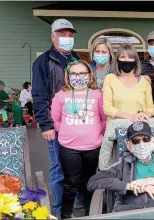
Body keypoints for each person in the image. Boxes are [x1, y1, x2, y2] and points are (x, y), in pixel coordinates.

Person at [32, 18, 82, 214]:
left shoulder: (77, 60)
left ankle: (80, 204)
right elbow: (39, 95)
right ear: (53, 37)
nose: (67, 38)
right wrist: (46, 125)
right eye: (62, 35)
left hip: (78, 125)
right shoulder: (43, 62)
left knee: (78, 167)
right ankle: (60, 209)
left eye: (70, 35)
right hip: (57, 126)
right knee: (59, 169)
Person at [87, 121, 154, 212]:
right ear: (128, 145)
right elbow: (93, 182)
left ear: (153, 140)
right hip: (136, 211)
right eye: (135, 141)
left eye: (146, 139)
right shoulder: (123, 163)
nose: (141, 144)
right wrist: (130, 186)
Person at [51, 60, 106, 219]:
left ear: (89, 76)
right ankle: (66, 215)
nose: (78, 77)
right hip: (69, 147)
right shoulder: (61, 95)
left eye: (82, 73)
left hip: (92, 146)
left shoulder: (97, 95)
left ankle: (90, 213)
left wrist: (95, 133)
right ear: (68, 76)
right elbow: (56, 119)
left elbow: (103, 118)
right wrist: (69, 132)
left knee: (88, 182)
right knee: (70, 183)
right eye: (74, 74)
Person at [102, 43, 154, 122]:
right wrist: (130, 117)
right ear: (117, 60)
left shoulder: (144, 81)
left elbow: (150, 107)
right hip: (116, 129)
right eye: (123, 57)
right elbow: (107, 108)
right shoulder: (109, 79)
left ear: (136, 60)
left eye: (130, 57)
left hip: (139, 128)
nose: (126, 60)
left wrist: (146, 115)